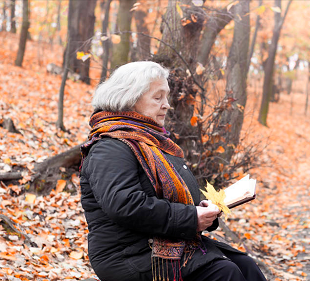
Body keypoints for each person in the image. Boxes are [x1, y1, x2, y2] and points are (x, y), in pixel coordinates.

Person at [79, 61, 267, 281]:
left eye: (166, 97)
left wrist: (202, 210)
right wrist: (190, 218)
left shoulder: (152, 142)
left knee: (245, 265)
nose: (166, 105)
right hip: (127, 254)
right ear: (129, 98)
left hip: (163, 241)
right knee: (224, 273)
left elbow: (173, 196)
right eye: (157, 97)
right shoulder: (110, 146)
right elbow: (124, 205)